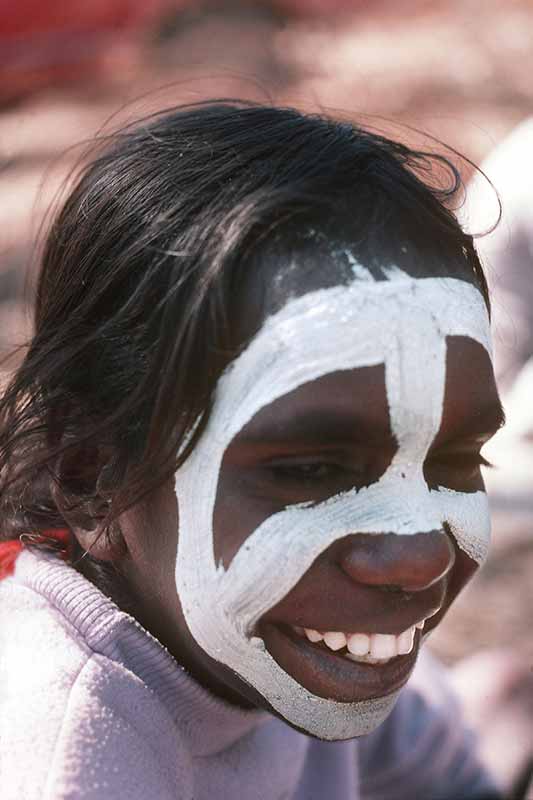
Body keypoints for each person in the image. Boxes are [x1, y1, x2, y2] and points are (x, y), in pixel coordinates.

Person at [0, 101, 507, 799]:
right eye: (310, 471)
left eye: (453, 461)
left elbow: (448, 778)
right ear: (95, 479)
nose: (419, 554)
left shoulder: (309, 650)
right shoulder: (67, 759)